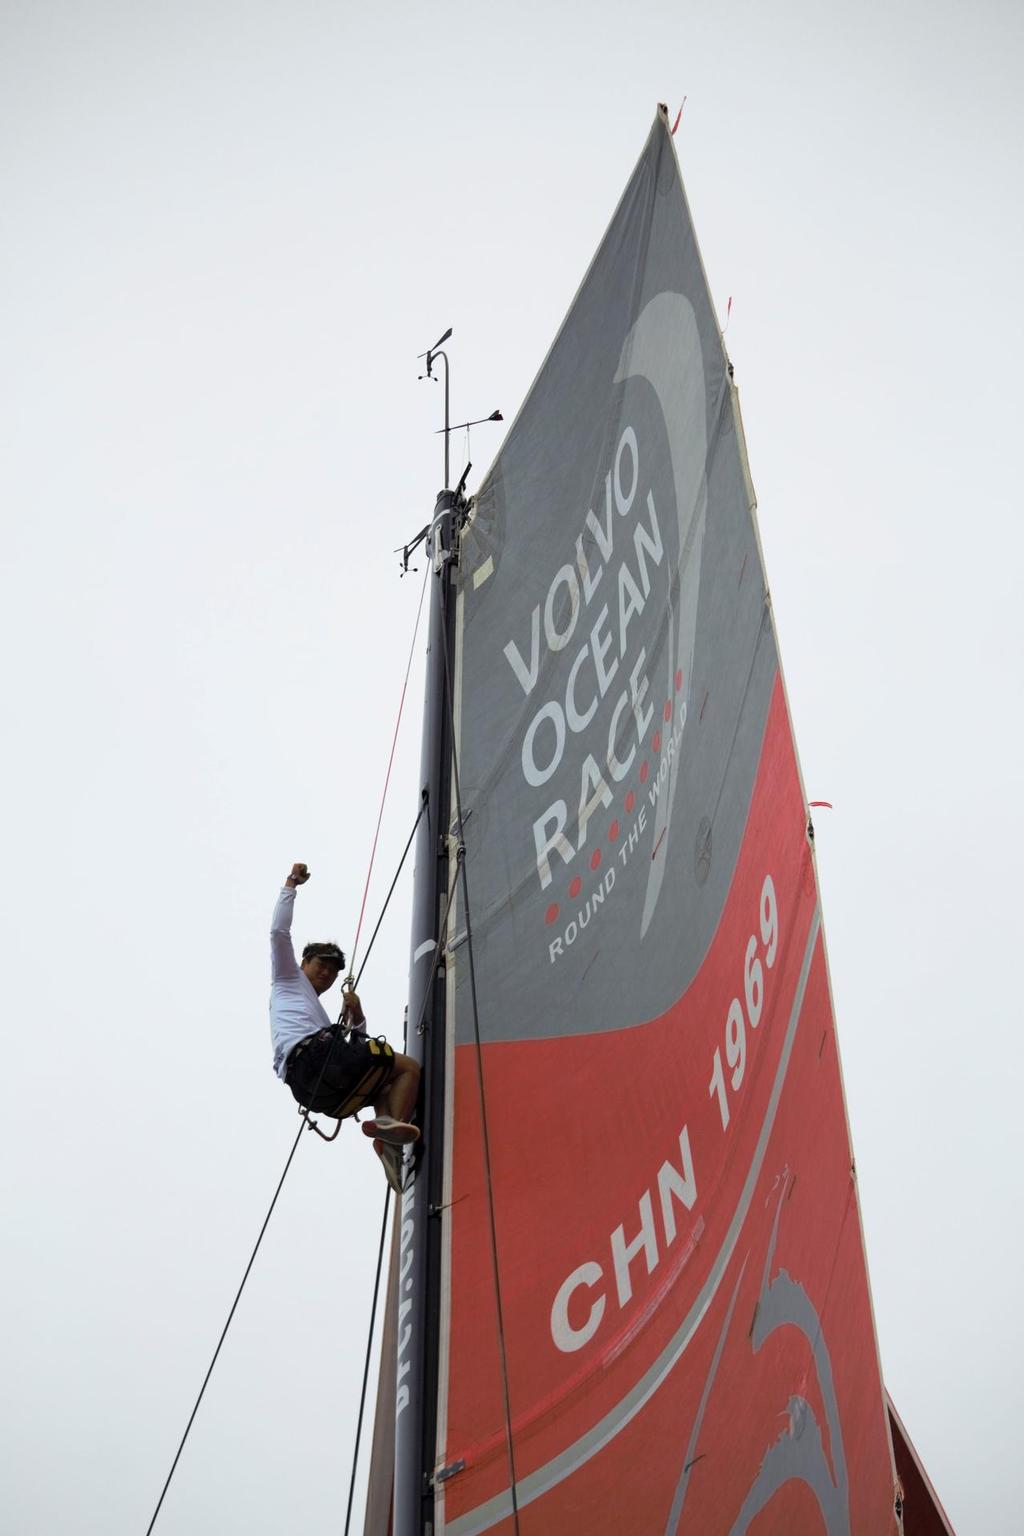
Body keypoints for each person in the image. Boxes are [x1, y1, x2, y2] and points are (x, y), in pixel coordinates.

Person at [269, 862, 420, 1192]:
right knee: (408, 1067)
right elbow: (279, 933)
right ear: (303, 963)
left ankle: (388, 1140)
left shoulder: (316, 1015)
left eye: (333, 970)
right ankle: (388, 1134)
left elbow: (358, 1046)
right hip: (315, 1062)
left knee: (383, 1082)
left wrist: (358, 1015)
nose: (327, 972)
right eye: (322, 964)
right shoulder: (287, 979)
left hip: (313, 1087)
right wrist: (291, 884)